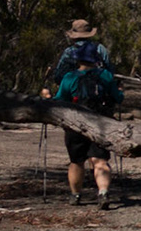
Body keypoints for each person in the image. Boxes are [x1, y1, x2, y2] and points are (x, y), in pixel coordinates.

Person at [42, 19, 124, 208]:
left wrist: (48, 97)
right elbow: (116, 93)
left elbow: (60, 95)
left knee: (76, 161)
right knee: (100, 160)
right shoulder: (102, 60)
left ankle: (75, 195)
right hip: (101, 121)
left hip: (75, 120)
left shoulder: (69, 70)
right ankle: (103, 193)